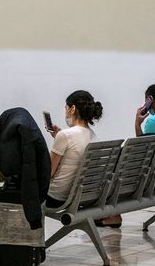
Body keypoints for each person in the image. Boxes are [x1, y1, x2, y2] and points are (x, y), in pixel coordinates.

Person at [45, 90, 108, 222]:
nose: (65, 112)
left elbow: (48, 173)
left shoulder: (65, 136)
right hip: (79, 196)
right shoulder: (93, 136)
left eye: (66, 108)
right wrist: (59, 138)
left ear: (72, 109)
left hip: (55, 197)